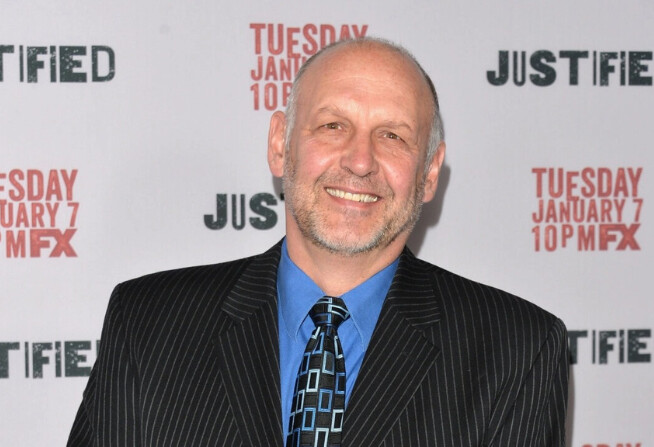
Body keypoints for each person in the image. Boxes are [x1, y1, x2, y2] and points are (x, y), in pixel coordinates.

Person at [67, 37, 569, 446]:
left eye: (393, 135)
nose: (360, 160)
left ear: (430, 171)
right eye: (333, 126)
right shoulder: (149, 323)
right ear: (279, 145)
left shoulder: (517, 351)